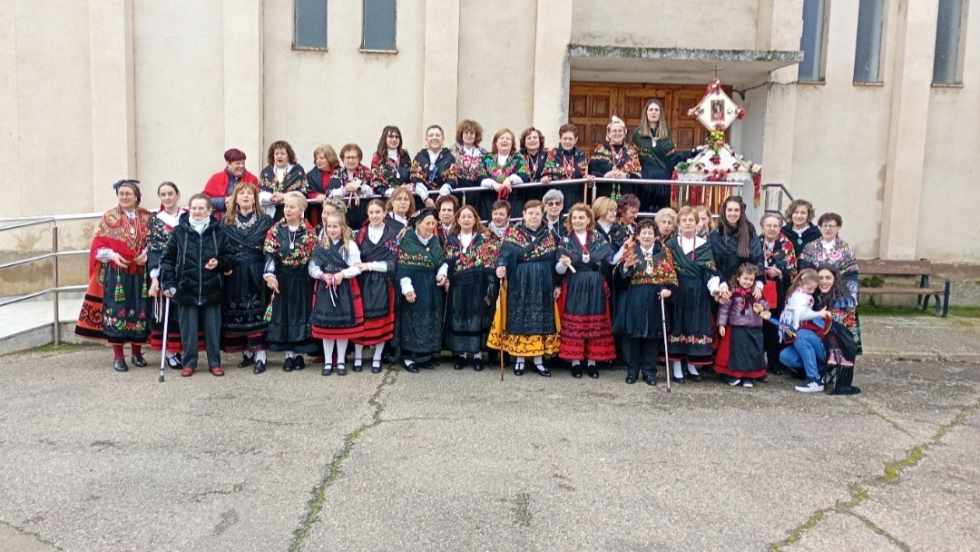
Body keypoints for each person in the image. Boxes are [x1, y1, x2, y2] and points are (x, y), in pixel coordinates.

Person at [75, 180, 153, 372]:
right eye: (121, 193)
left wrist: (147, 253)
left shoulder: (147, 216)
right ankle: (118, 356)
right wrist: (113, 255)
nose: (124, 197)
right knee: (116, 311)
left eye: (128, 193)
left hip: (140, 272)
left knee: (140, 310)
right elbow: (97, 245)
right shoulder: (108, 217)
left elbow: (155, 240)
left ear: (136, 196)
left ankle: (137, 352)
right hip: (117, 272)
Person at [159, 194, 229, 377]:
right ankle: (189, 362)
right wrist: (168, 283)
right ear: (189, 209)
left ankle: (215, 362)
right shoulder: (179, 232)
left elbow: (230, 257)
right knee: (188, 330)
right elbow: (167, 259)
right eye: (194, 208)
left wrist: (219, 262)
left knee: (213, 330)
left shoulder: (219, 232)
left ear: (209, 211)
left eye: (201, 208)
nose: (197, 212)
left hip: (212, 288)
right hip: (186, 288)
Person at [488, 200, 560, 376]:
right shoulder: (513, 234)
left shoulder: (550, 235)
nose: (534, 217)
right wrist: (501, 267)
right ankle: (519, 360)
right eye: (531, 213)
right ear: (524, 215)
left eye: (537, 213)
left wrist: (557, 283)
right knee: (519, 318)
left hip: (543, 283)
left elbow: (554, 261)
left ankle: (538, 361)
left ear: (542, 215)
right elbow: (503, 255)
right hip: (519, 282)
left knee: (541, 320)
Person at [612, 219, 677, 385]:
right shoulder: (630, 251)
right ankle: (632, 371)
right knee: (633, 336)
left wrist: (668, 288)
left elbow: (671, 275)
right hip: (635, 296)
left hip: (655, 296)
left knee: (652, 337)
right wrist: (626, 267)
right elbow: (619, 279)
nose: (647, 236)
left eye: (650, 232)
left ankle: (649, 372)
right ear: (638, 236)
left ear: (655, 236)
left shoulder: (665, 252)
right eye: (643, 233)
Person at [221, 182, 275, 374]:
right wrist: (225, 264)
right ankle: (246, 352)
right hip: (234, 272)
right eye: (241, 193)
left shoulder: (266, 221)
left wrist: (269, 272)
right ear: (235, 198)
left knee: (257, 312)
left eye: (249, 194)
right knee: (238, 313)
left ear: (255, 198)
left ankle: (261, 353)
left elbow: (270, 249)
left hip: (257, 271)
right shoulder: (226, 222)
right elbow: (222, 247)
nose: (245, 196)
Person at [556, 204, 616, 378]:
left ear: (589, 219)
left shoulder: (598, 237)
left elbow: (609, 260)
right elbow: (559, 270)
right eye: (574, 218)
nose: (577, 221)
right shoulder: (565, 240)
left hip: (595, 284)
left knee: (594, 322)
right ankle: (575, 362)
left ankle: (592, 362)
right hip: (575, 284)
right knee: (577, 321)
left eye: (581, 217)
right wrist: (563, 264)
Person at [263, 191, 318, 371]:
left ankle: (299, 355)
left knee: (300, 313)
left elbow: (314, 258)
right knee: (285, 314)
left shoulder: (310, 232)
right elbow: (270, 255)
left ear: (301, 209)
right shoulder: (275, 230)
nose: (288, 210)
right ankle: (288, 355)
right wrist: (270, 275)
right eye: (286, 206)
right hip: (283, 277)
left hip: (302, 278)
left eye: (292, 207)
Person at [665, 206, 721, 383]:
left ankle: (691, 365)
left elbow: (710, 271)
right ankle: (676, 367)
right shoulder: (672, 244)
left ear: (697, 224)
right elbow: (666, 269)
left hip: (698, 291)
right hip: (677, 290)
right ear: (679, 224)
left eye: (691, 220)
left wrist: (715, 288)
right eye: (684, 220)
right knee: (678, 325)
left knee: (695, 325)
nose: (688, 223)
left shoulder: (705, 245)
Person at [309, 212, 365, 376]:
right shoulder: (321, 246)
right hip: (325, 289)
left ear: (343, 228)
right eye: (329, 226)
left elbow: (357, 267)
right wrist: (322, 275)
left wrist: (342, 275)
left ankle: (340, 361)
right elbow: (312, 267)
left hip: (344, 289)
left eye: (336, 226)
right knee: (327, 330)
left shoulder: (350, 245)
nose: (332, 229)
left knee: (342, 329)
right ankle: (328, 362)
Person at [444, 205, 499, 371]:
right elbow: (447, 261)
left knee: (477, 316)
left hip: (479, 284)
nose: (466, 219)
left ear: (475, 219)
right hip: (458, 285)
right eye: (463, 217)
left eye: (469, 216)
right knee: (459, 317)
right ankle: (461, 354)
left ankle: (477, 355)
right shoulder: (451, 240)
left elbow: (491, 259)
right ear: (458, 220)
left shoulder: (485, 239)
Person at [396, 208, 449, 372]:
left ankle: (425, 356)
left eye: (433, 223)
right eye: (427, 223)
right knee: (412, 320)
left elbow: (442, 261)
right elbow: (402, 268)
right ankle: (409, 358)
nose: (430, 226)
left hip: (432, 287)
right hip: (414, 285)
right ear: (418, 224)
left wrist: (442, 273)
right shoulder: (408, 241)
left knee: (430, 319)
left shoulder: (435, 241)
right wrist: (407, 288)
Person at [353, 199, 400, 373]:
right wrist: (360, 265)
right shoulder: (361, 234)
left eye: (377, 212)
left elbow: (393, 263)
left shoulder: (391, 234)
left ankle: (377, 358)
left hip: (383, 283)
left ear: (384, 213)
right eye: (371, 212)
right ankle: (358, 357)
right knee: (362, 320)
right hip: (363, 282)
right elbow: (354, 257)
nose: (374, 216)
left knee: (381, 320)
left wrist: (369, 266)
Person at [146, 182, 185, 369]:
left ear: (177, 195)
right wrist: (155, 277)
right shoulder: (155, 220)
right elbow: (153, 249)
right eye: (163, 194)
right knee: (166, 315)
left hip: (186, 270)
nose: (167, 198)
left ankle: (183, 350)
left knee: (183, 312)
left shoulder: (187, 215)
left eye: (170, 193)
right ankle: (169, 352)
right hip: (165, 269)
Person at [776, 269, 832, 393]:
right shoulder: (798, 296)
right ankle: (819, 371)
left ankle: (814, 379)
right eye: (810, 289)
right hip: (807, 335)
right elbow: (800, 315)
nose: (812, 292)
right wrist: (819, 313)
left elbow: (802, 315)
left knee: (800, 335)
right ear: (801, 283)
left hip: (824, 343)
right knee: (785, 356)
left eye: (813, 289)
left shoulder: (804, 295)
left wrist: (819, 314)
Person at [716, 263, 769, 387]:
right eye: (745, 278)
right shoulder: (732, 292)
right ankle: (734, 375)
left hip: (754, 327)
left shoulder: (756, 292)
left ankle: (748, 377)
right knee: (736, 353)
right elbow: (724, 309)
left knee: (751, 353)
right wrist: (721, 324)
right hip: (737, 327)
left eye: (751, 279)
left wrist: (761, 306)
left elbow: (765, 303)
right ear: (738, 278)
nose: (748, 282)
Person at [759, 213, 798, 375]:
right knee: (758, 324)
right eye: (768, 225)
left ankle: (774, 363)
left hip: (778, 290)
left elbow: (793, 269)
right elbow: (749, 262)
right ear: (763, 227)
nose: (772, 229)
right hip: (759, 288)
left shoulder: (786, 244)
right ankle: (758, 361)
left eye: (775, 225)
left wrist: (780, 272)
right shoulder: (756, 242)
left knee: (775, 326)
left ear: (780, 227)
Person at [814, 266, 862, 394]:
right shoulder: (818, 296)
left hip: (842, 340)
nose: (824, 281)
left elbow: (845, 327)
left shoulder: (843, 299)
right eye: (820, 278)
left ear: (835, 279)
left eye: (828, 278)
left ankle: (839, 382)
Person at [798, 212, 859, 302]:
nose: (827, 229)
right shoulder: (810, 247)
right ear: (819, 227)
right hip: (815, 289)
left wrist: (848, 293)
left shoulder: (846, 248)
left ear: (838, 227)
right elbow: (805, 270)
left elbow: (851, 273)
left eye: (831, 226)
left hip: (839, 290)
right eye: (825, 226)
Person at [631, 99, 678, 210]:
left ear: (660, 113)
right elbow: (633, 159)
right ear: (646, 113)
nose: (653, 112)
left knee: (662, 212)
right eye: (651, 109)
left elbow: (671, 158)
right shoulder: (637, 135)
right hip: (645, 181)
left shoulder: (667, 134)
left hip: (663, 181)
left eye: (656, 110)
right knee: (644, 212)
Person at [588, 116, 640, 201]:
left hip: (626, 195)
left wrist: (626, 176)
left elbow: (637, 175)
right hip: (604, 194)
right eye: (614, 131)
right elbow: (592, 172)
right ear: (608, 133)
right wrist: (606, 176)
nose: (617, 133)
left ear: (624, 133)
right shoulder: (600, 149)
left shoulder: (631, 150)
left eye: (620, 131)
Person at [480, 128, 528, 219]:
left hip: (514, 201)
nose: (504, 141)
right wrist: (494, 185)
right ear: (496, 142)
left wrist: (509, 180)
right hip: (491, 201)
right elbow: (481, 178)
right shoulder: (487, 158)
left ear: (512, 143)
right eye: (502, 138)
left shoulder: (519, 158)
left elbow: (524, 177)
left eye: (508, 139)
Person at [328, 143, 374, 229]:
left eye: (353, 157)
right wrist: (345, 190)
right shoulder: (337, 173)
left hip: (364, 217)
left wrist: (360, 188)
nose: (350, 160)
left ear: (359, 158)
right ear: (343, 159)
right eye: (348, 157)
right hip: (343, 218)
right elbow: (330, 193)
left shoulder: (367, 172)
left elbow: (373, 192)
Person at [259, 140, 306, 221]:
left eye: (282, 154)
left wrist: (284, 196)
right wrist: (270, 197)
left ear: (288, 156)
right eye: (276, 154)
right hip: (270, 214)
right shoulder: (266, 172)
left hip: (292, 213)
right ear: (272, 156)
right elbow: (261, 191)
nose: (279, 156)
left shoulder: (298, 171)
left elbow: (302, 193)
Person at [411, 125, 456, 209]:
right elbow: (415, 179)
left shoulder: (450, 157)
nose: (434, 138)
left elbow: (452, 179)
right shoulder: (419, 157)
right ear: (426, 139)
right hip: (421, 202)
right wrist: (425, 198)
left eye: (437, 135)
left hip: (444, 203)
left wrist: (441, 197)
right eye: (431, 135)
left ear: (443, 139)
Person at [203, 148, 260, 216]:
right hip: (220, 219)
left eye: (243, 163)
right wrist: (223, 201)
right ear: (228, 163)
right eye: (237, 163)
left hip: (246, 218)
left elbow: (257, 200)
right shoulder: (216, 178)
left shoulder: (252, 179)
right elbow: (204, 200)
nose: (241, 166)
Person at [545, 123, 590, 206]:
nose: (567, 141)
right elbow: (549, 172)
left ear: (576, 140)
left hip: (576, 195)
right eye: (565, 138)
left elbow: (582, 173)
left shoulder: (581, 154)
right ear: (560, 139)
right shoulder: (552, 154)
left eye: (570, 139)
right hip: (557, 196)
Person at [370, 126, 412, 199]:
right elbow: (376, 183)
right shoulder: (377, 157)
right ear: (384, 139)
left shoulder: (404, 155)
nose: (394, 139)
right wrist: (396, 191)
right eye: (391, 137)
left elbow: (411, 175)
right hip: (387, 198)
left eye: (397, 137)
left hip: (406, 197)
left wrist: (410, 186)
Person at [452, 119, 488, 205]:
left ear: (476, 136)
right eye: (466, 133)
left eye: (472, 133)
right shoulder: (453, 151)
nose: (469, 135)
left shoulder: (483, 153)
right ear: (461, 135)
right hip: (458, 188)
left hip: (476, 189)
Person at [306, 145, 341, 225]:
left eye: (322, 158)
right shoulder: (310, 175)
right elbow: (307, 190)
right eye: (316, 158)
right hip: (317, 211)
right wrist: (316, 196)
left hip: (336, 210)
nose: (318, 161)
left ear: (330, 158)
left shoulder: (341, 172)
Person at [517, 127, 553, 206]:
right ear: (524, 142)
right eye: (529, 138)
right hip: (524, 195)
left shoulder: (548, 154)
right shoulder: (518, 156)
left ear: (540, 140)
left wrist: (547, 176)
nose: (532, 140)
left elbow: (551, 170)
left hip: (543, 193)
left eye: (535, 137)